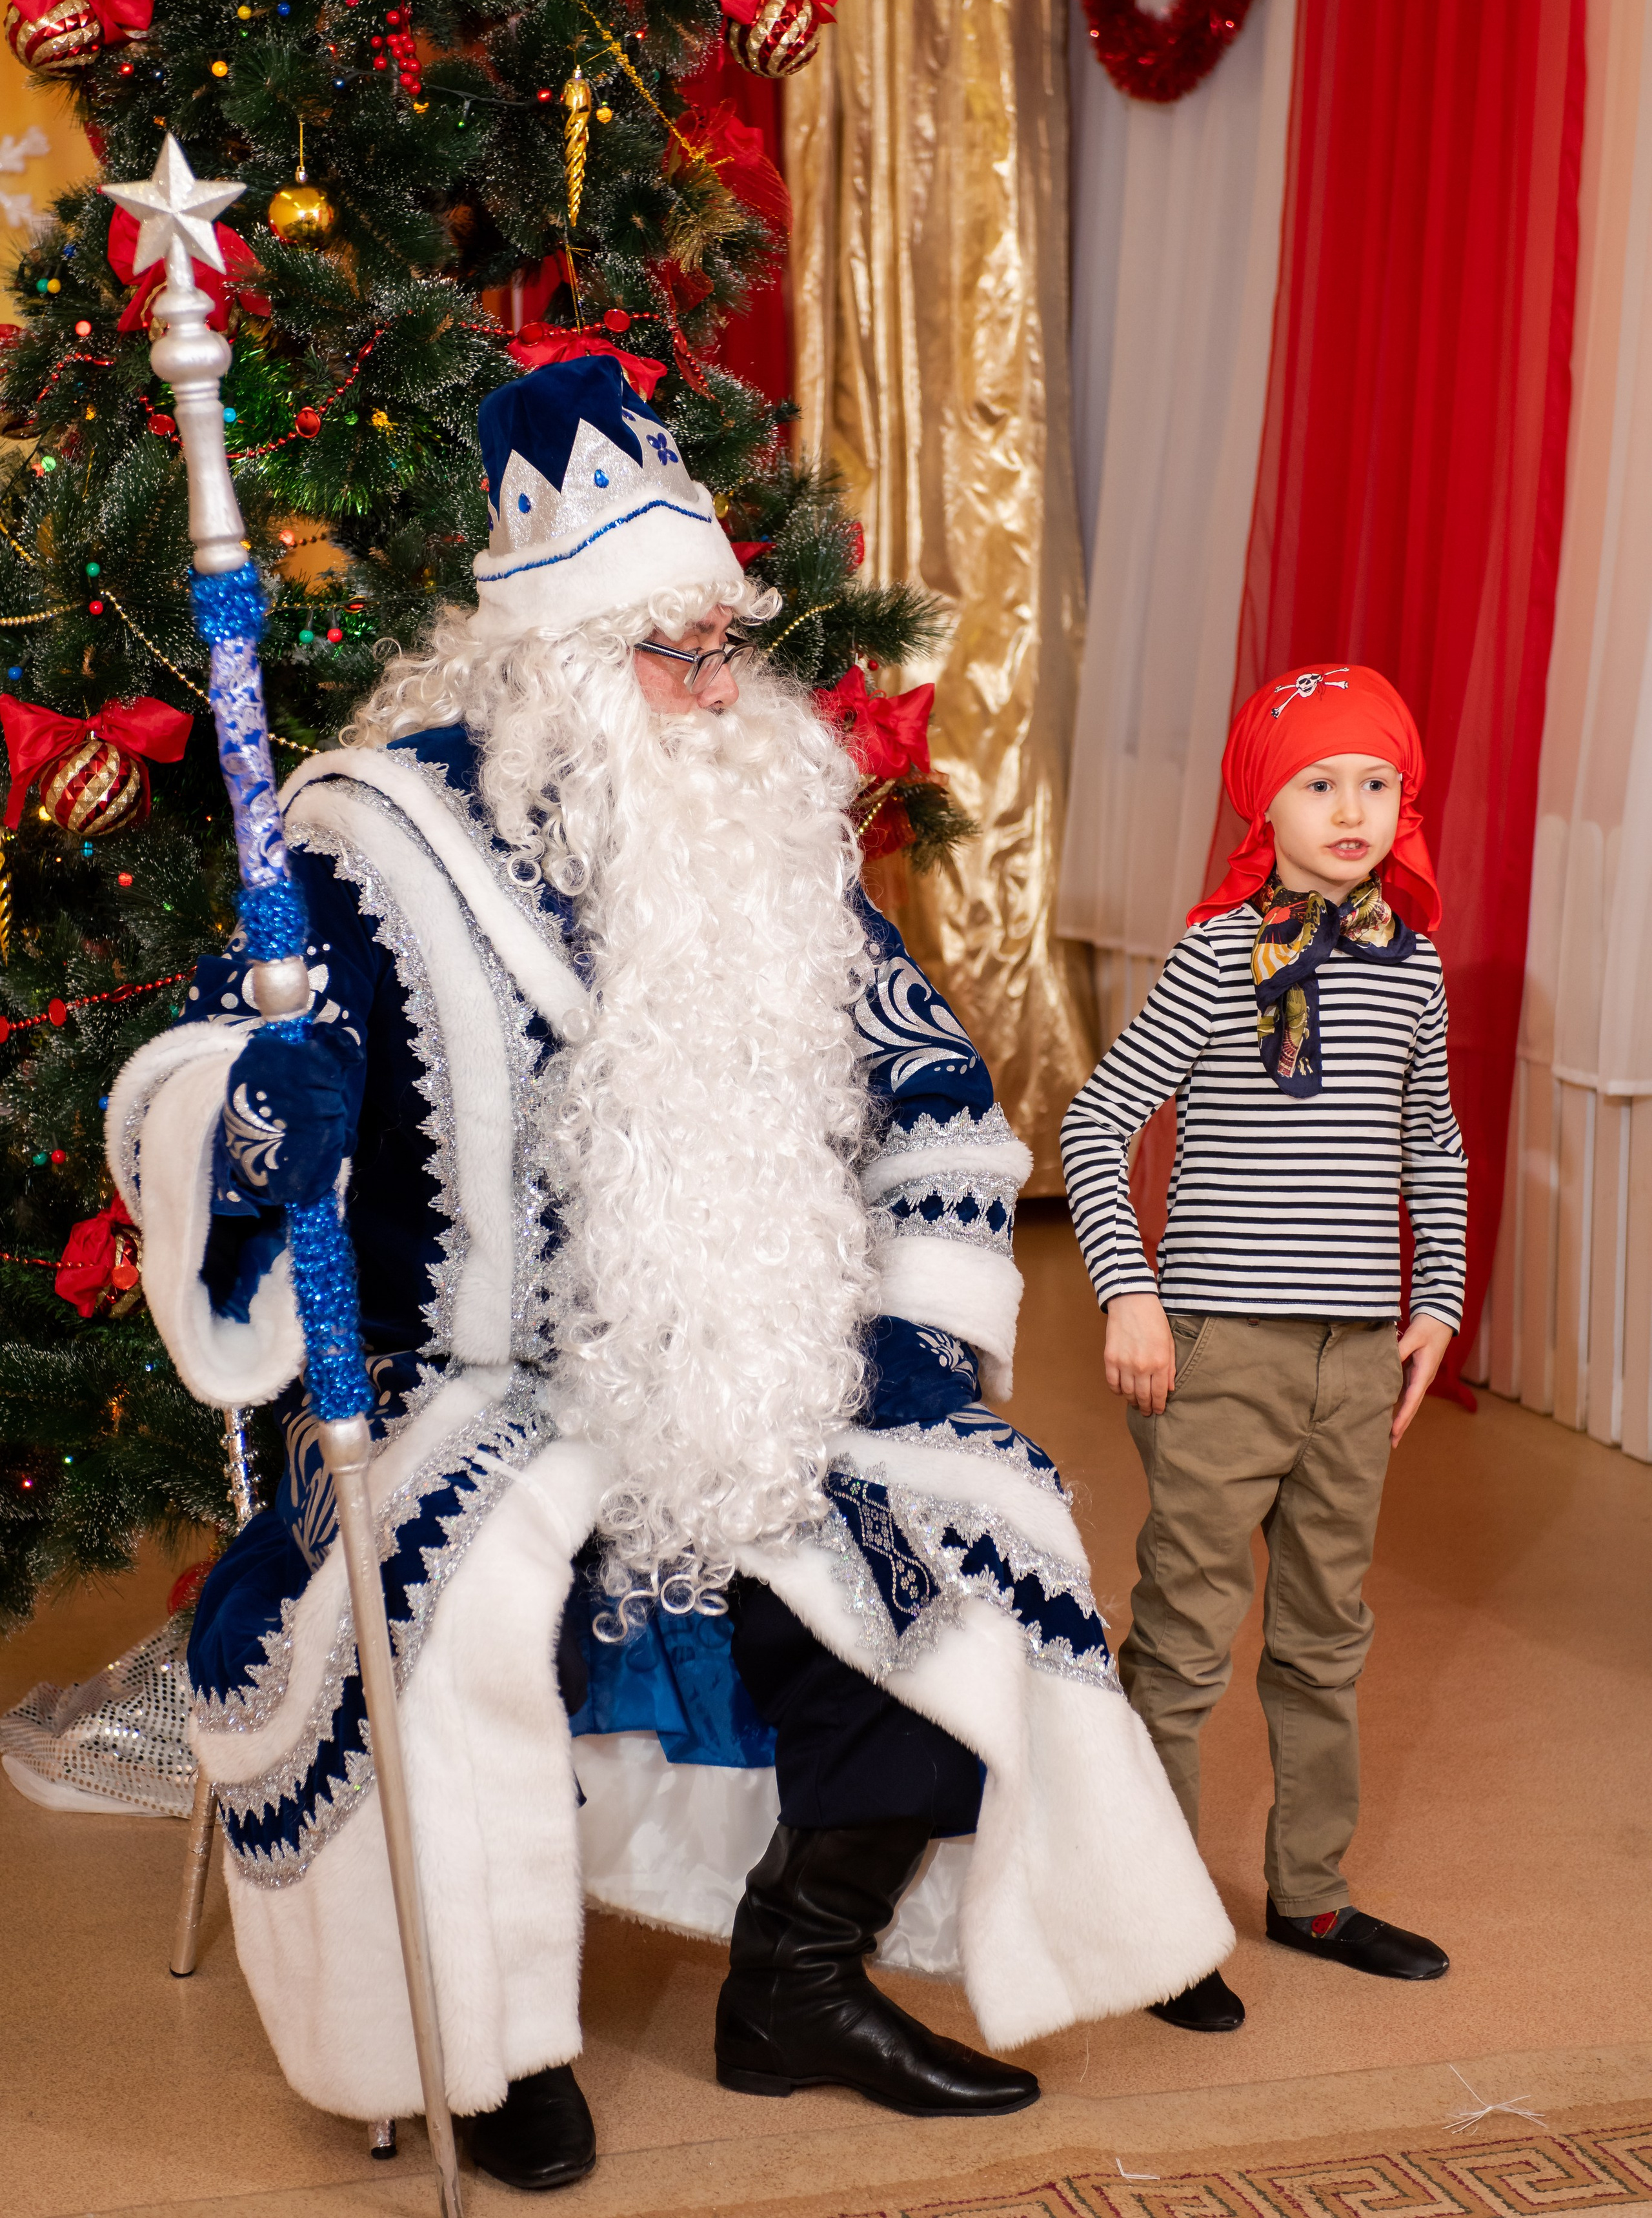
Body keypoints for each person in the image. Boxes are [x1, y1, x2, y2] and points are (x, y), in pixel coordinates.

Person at [110, 356, 1231, 2190]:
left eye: (732, 647)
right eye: (678, 655)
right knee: (462, 1588)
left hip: (749, 1350)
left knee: (978, 1513)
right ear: (558, 659)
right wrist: (256, 1119)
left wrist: (915, 1344)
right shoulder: (367, 840)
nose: (725, 690)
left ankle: (799, 1969)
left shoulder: (768, 827)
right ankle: (482, 2034)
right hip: (457, 1373)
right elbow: (201, 1083)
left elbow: (937, 1089)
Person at [1061, 663, 1467, 2037]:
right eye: (1318, 779)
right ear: (1264, 802)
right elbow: (1091, 1126)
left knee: (1323, 1632)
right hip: (1218, 1348)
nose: (1350, 806)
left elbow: (1431, 1142)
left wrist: (1436, 1301)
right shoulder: (1210, 957)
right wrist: (1127, 1293)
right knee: (1179, 1640)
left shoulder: (1407, 968)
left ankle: (1310, 1889)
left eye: (1376, 782)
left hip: (1354, 1356)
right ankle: (1157, 1914)